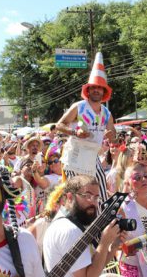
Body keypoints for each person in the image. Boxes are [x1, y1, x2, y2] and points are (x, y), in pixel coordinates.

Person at [56, 52, 116, 202]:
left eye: (100, 88)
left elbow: (113, 135)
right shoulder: (79, 107)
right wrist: (75, 132)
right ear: (88, 91)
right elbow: (59, 125)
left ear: (104, 92)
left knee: (100, 188)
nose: (96, 90)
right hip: (76, 154)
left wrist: (111, 136)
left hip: (93, 155)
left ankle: (101, 218)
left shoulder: (107, 113)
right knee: (76, 192)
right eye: (93, 87)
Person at [43, 175, 124, 277]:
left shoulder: (68, 223)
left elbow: (95, 267)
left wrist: (113, 246)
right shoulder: (69, 230)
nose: (93, 202)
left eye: (96, 197)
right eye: (87, 196)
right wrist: (104, 242)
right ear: (70, 197)